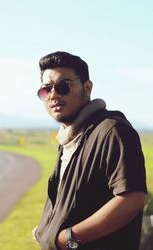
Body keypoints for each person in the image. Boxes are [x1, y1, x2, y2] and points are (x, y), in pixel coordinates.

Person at [33, 51, 147, 250]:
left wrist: (68, 238)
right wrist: (44, 230)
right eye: (46, 89)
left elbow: (132, 199)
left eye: (63, 87)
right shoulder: (71, 135)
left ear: (87, 87)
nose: (53, 95)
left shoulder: (112, 130)